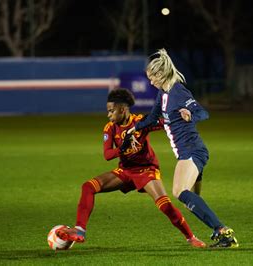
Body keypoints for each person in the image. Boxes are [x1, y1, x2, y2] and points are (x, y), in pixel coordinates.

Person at [56, 88, 206, 248]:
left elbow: (164, 122)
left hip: (146, 171)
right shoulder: (110, 128)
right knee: (88, 187)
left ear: (122, 109)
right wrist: (122, 148)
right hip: (125, 171)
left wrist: (181, 116)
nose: (109, 115)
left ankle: (191, 237)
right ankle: (79, 230)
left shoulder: (140, 122)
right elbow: (107, 155)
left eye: (111, 111)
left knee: (165, 205)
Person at [127, 48, 238, 248]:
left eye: (152, 77)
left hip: (192, 150)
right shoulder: (163, 93)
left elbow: (203, 113)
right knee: (190, 197)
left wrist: (191, 115)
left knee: (179, 191)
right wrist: (132, 129)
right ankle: (221, 232)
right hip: (188, 151)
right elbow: (153, 118)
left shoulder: (178, 91)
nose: (150, 82)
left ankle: (223, 232)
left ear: (161, 74)